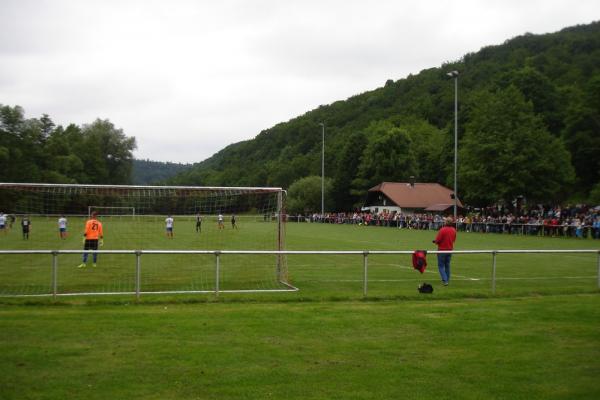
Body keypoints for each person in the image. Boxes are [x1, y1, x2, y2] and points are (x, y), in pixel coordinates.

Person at [433, 217, 457, 286]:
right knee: (447, 265)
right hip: (450, 250)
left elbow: (438, 240)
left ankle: (445, 280)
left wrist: (435, 241)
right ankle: (447, 279)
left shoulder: (442, 230)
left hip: (442, 250)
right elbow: (453, 240)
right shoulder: (453, 230)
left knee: (441, 266)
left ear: (446, 222)